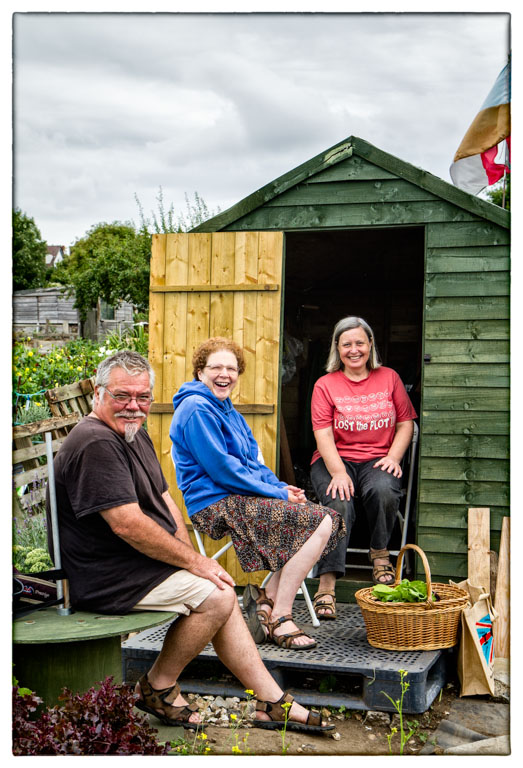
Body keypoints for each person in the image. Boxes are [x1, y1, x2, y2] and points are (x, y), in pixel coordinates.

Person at [47, 350, 333, 734]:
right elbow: (127, 525)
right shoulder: (95, 442)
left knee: (218, 585)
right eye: (122, 395)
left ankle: (271, 701)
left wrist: (192, 558)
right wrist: (195, 563)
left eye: (143, 397)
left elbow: (164, 498)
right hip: (104, 575)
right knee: (217, 596)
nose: (133, 406)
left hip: (135, 563)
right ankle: (158, 684)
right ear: (98, 394)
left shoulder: (133, 432)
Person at [169, 337, 346, 652]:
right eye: (216, 367)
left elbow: (252, 463)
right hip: (214, 503)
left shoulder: (229, 411)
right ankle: (280, 616)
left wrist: (281, 488)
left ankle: (267, 603)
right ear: (200, 372)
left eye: (231, 368)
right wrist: (273, 492)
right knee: (318, 522)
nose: (224, 374)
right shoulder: (196, 408)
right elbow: (223, 470)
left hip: (238, 496)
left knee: (325, 519)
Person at [309, 317, 417, 620]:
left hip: (378, 459)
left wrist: (394, 457)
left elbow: (406, 423)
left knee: (383, 490)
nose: (354, 350)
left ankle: (380, 554)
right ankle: (327, 582)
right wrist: (338, 472)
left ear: (370, 345)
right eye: (347, 344)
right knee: (339, 501)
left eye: (360, 343)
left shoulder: (389, 378)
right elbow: (323, 433)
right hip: (334, 459)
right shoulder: (325, 385)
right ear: (337, 348)